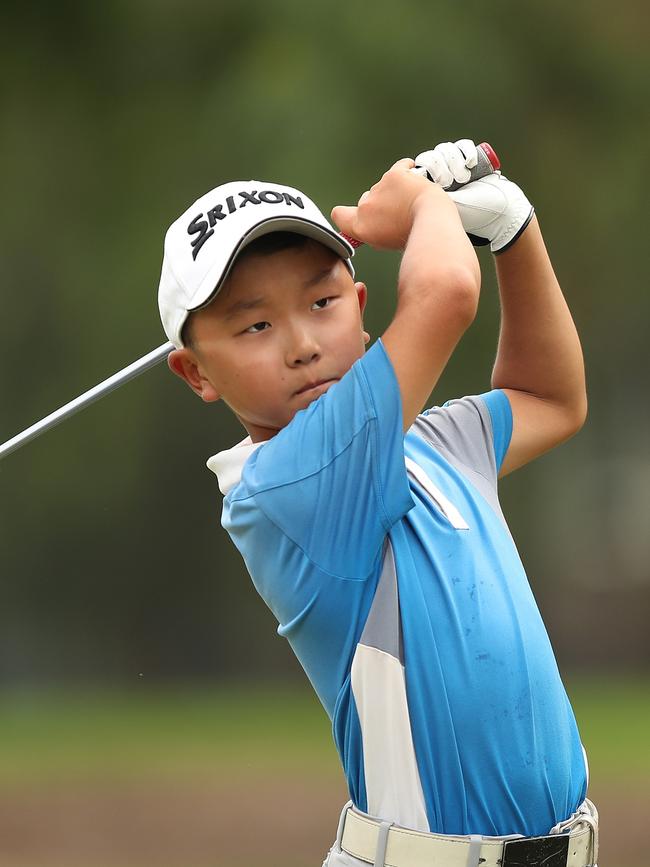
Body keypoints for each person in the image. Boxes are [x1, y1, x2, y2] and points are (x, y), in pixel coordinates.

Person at [157, 139, 598, 867]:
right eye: (255, 324)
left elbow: (551, 397)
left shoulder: (435, 443)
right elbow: (447, 294)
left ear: (361, 309)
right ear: (194, 372)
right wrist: (423, 204)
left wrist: (514, 233)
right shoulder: (283, 489)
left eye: (322, 301)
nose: (302, 343)